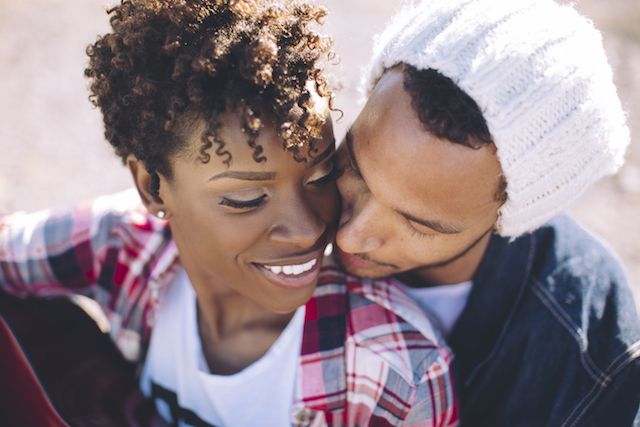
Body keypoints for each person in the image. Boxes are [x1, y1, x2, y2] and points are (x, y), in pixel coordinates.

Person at [0, 0, 458, 426]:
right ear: (153, 189)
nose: (309, 230)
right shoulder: (123, 245)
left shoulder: (398, 375)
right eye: (247, 199)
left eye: (321, 176)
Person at [332, 0, 640, 425]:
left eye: (417, 224)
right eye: (354, 169)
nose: (349, 235)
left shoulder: (588, 355)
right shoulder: (284, 193)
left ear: (507, 218)